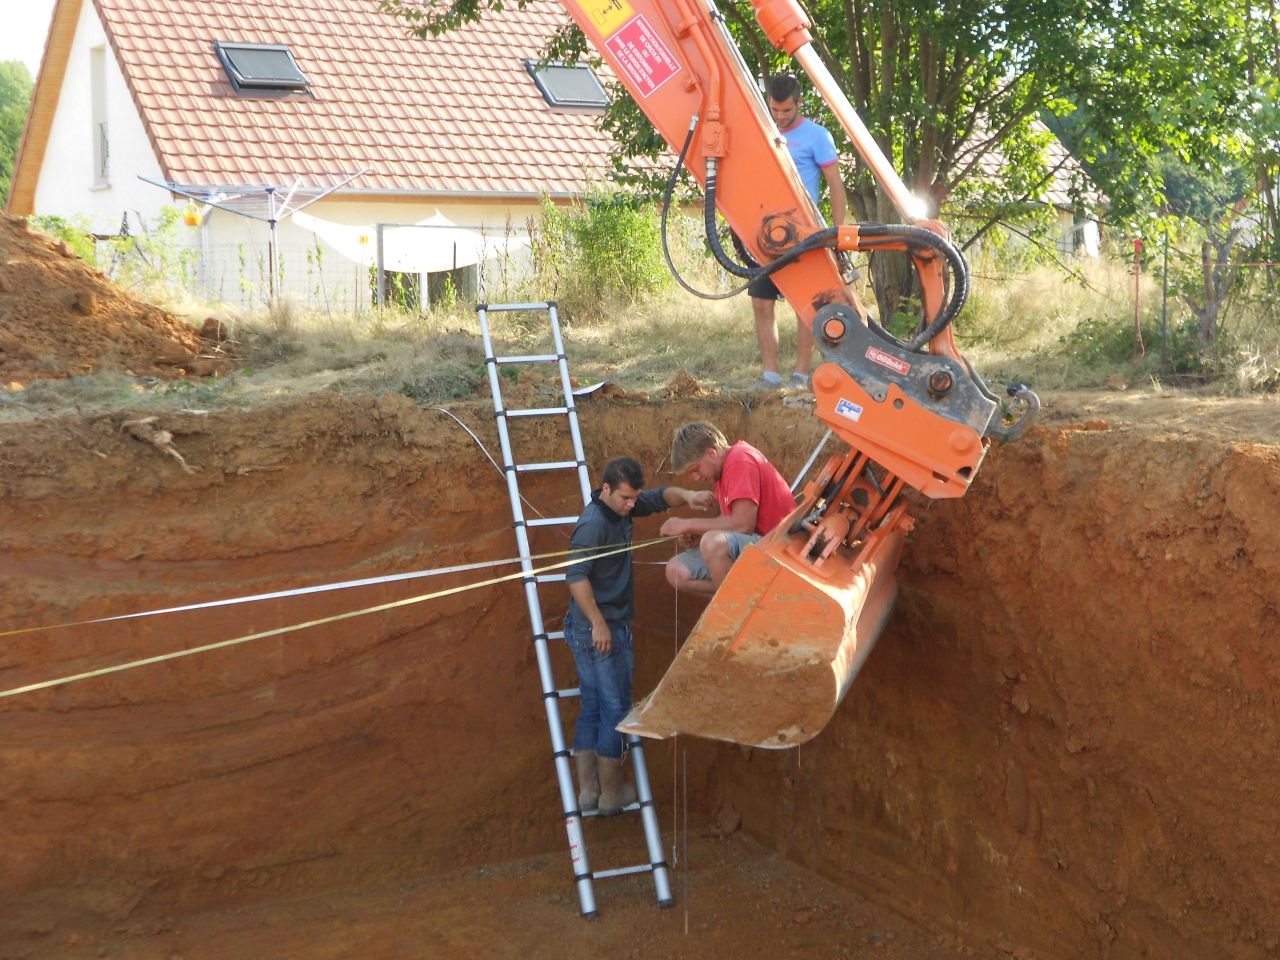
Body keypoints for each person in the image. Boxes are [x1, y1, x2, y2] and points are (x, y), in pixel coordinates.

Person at [565, 456, 713, 815]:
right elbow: (576, 577)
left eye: (633, 499)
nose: (631, 505)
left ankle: (590, 794)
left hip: (595, 626)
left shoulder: (623, 507)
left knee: (593, 705)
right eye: (625, 499)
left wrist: (690, 496)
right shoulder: (593, 525)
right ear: (605, 490)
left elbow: (663, 496)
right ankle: (611, 794)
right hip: (600, 629)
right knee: (615, 708)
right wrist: (599, 623)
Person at [751, 74, 848, 392]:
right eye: (775, 110)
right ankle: (770, 375)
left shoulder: (817, 136)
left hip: (804, 232)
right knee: (761, 301)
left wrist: (836, 233)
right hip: (764, 232)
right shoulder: (762, 130)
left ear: (799, 103)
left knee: (805, 304)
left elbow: (835, 184)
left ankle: (801, 374)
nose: (780, 117)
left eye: (786, 111)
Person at [660, 422, 794, 598]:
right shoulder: (722, 472)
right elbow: (730, 525)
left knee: (713, 543)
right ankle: (739, 596)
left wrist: (686, 524)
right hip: (757, 544)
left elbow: (742, 525)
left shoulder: (739, 460)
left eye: (695, 469)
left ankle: (735, 605)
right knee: (676, 571)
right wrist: (698, 537)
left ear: (711, 453)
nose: (696, 477)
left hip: (775, 545)